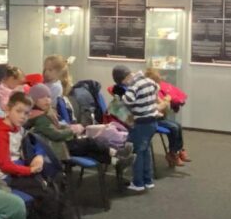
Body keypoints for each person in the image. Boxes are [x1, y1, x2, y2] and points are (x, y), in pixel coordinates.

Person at [0, 92, 85, 219]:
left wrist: (39, 156)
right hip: (6, 177)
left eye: (26, 113)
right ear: (8, 109)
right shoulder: (1, 134)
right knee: (46, 191)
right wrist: (30, 171)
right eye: (18, 111)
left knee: (57, 182)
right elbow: (4, 165)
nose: (23, 116)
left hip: (21, 170)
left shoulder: (18, 129)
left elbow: (34, 143)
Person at [25, 83, 114, 165]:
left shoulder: (45, 113)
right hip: (58, 147)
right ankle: (114, 153)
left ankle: (114, 159)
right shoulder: (40, 118)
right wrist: (72, 130)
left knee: (91, 151)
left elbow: (56, 126)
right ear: (34, 101)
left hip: (60, 144)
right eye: (42, 97)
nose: (47, 100)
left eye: (48, 97)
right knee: (89, 142)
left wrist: (68, 127)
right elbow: (56, 135)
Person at [113, 65, 159, 193]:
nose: (124, 85)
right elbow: (157, 89)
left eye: (123, 82)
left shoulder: (133, 86)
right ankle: (148, 180)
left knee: (137, 152)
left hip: (141, 124)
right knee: (146, 150)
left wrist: (120, 99)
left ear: (124, 78)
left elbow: (127, 101)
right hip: (152, 122)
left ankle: (138, 183)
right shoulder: (149, 81)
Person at [144, 68, 189, 166]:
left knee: (178, 126)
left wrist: (164, 101)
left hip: (158, 117)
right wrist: (166, 101)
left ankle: (178, 150)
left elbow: (163, 106)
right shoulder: (146, 94)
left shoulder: (154, 93)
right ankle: (173, 153)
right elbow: (158, 108)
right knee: (174, 127)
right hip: (151, 120)